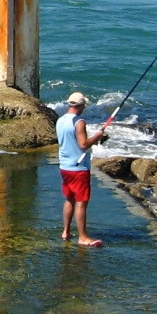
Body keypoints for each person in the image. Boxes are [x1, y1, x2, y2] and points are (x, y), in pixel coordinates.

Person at [55, 92, 109, 247]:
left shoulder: (60, 120)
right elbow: (83, 144)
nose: (84, 107)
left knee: (69, 199)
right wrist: (97, 137)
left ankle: (65, 231)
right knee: (81, 202)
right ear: (80, 105)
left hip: (64, 167)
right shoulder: (79, 122)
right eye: (84, 104)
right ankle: (83, 237)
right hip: (78, 168)